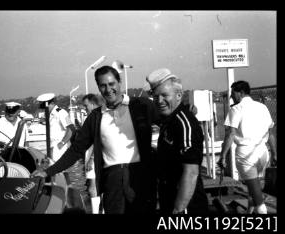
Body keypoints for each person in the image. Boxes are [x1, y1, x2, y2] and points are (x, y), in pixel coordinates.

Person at [32, 66, 159, 214]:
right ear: (98, 87)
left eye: (112, 84)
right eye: (103, 85)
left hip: (141, 180)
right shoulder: (95, 117)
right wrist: (47, 172)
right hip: (112, 183)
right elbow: (76, 150)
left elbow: (169, 123)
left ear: (120, 82)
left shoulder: (142, 105)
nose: (108, 89)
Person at [146, 68, 209, 214]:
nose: (159, 101)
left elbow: (191, 172)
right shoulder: (169, 120)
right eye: (156, 96)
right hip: (169, 199)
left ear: (179, 95)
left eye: (165, 95)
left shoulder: (184, 123)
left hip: (185, 206)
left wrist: (178, 209)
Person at [218, 80, 277, 214]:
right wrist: (274, 153)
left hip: (245, 154)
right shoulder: (262, 107)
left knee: (258, 197)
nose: (231, 97)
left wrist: (222, 156)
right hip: (262, 152)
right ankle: (249, 212)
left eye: (233, 93)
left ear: (241, 93)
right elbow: (270, 133)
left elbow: (230, 134)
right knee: (254, 187)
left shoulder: (236, 109)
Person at [36, 93, 75, 162]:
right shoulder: (49, 115)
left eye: (45, 106)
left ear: (51, 103)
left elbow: (71, 129)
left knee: (60, 170)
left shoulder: (61, 112)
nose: (44, 109)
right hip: (52, 147)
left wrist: (61, 144)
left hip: (60, 148)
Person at [81, 93, 103, 213]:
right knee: (94, 186)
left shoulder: (97, 118)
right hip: (90, 155)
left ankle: (96, 212)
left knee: (92, 187)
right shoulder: (93, 117)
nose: (85, 109)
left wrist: (91, 159)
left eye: (86, 106)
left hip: (94, 157)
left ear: (93, 104)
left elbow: (98, 140)